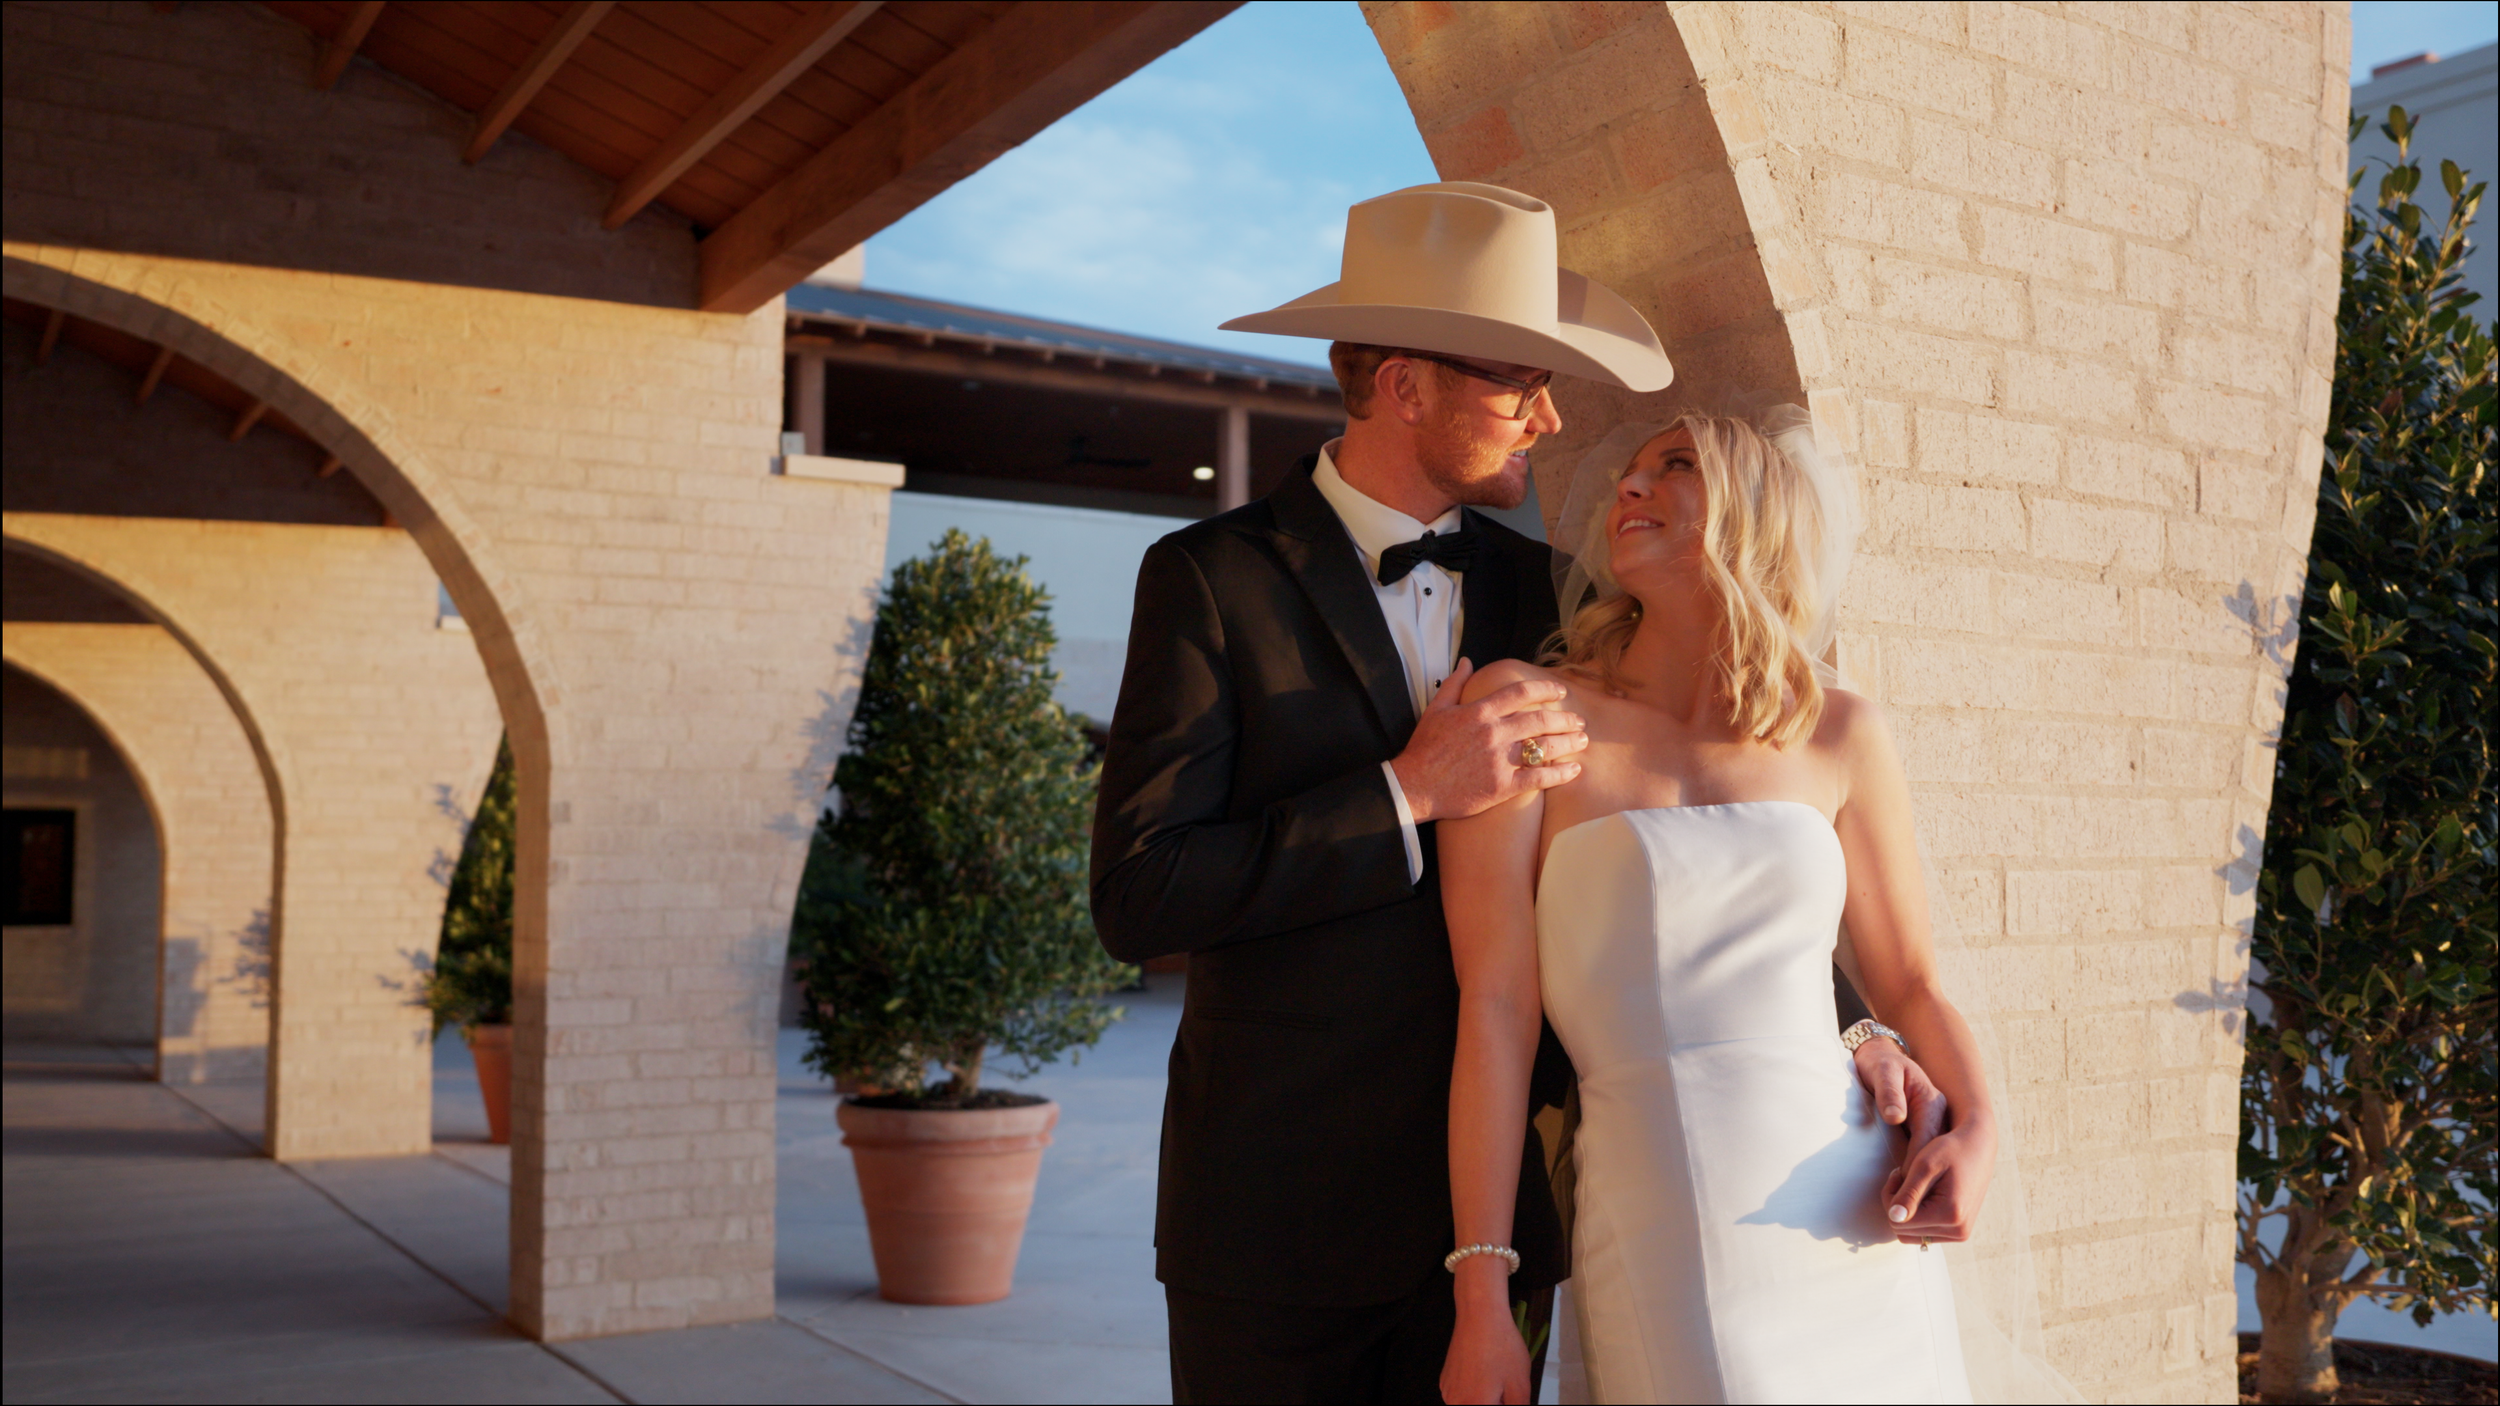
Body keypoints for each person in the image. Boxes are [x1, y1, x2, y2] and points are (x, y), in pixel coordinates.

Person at [1089, 182, 1944, 1404]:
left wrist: (1855, 1023)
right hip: (1279, 1206)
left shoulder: (1560, 592)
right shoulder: (1208, 580)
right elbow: (1141, 892)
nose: (1548, 417)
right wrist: (1402, 793)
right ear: (1405, 385)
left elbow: (1707, 815)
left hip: (1524, 1198)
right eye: (1517, 385)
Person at [1437, 413, 1995, 1404]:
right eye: (1630, 471)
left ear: (1756, 512)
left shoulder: (1840, 729)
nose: (1630, 487)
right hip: (1662, 1202)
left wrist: (1980, 1127)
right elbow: (1494, 1009)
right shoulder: (1528, 711)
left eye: (1676, 466)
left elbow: (1910, 981)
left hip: (1856, 1201)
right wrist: (1481, 1292)